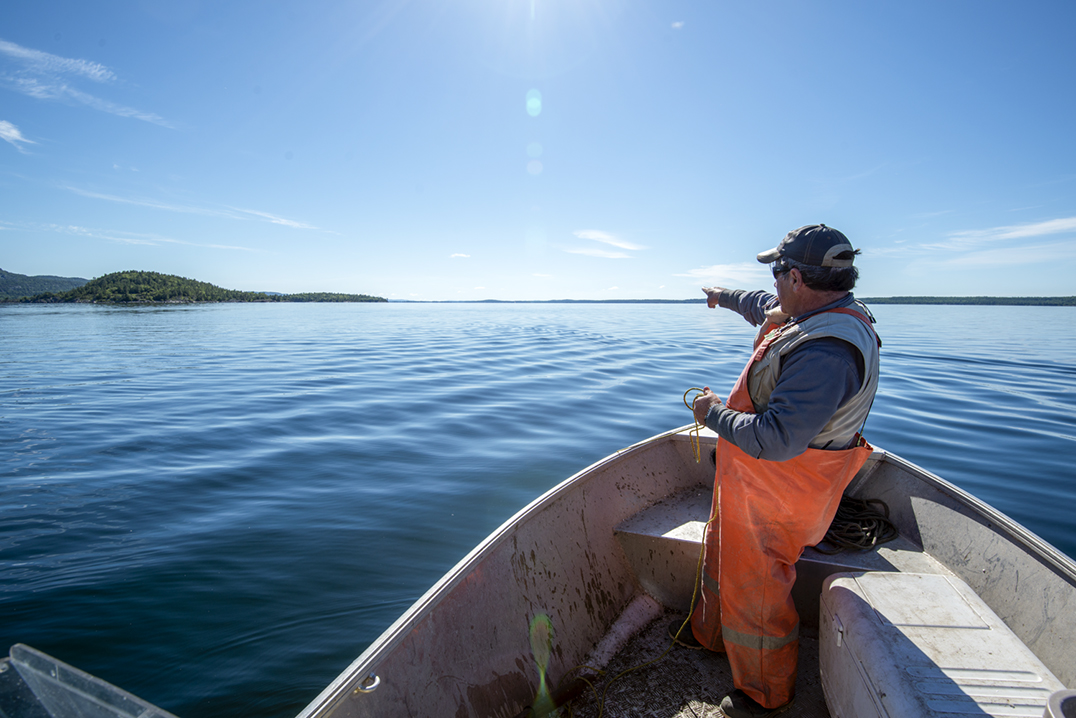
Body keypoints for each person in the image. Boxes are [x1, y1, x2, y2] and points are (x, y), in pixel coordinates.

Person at [683, 224, 881, 718]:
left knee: (760, 584)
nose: (772, 286)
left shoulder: (827, 350)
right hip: (750, 481)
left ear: (795, 277)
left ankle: (765, 695)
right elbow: (760, 306)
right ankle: (709, 636)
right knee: (722, 551)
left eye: (777, 274)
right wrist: (721, 296)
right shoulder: (809, 310)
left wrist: (711, 414)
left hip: (781, 489)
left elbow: (776, 439)